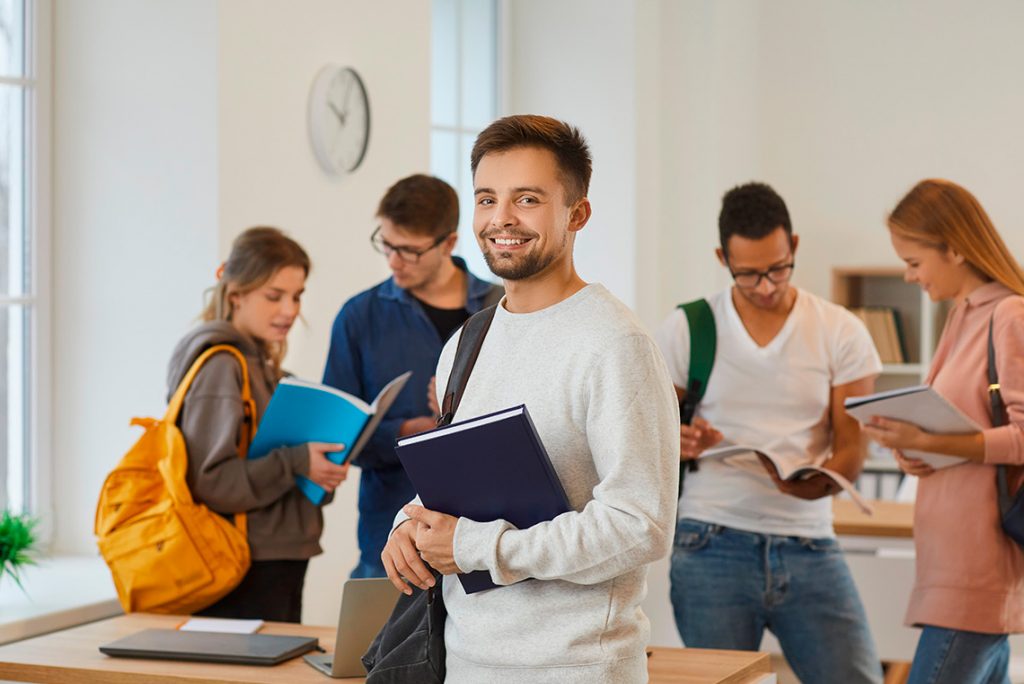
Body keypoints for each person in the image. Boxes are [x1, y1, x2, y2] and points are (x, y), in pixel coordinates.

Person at [379, 115, 679, 683]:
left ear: (577, 213)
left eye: (528, 199)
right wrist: (406, 528)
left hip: (575, 668)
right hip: (463, 663)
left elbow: (639, 525)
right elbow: (450, 483)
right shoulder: (468, 341)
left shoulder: (616, 344)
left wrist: (475, 546)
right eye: (487, 198)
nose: (501, 220)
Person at [654, 182, 883, 683]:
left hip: (809, 540)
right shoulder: (688, 327)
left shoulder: (840, 330)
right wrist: (680, 439)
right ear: (722, 258)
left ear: (794, 246)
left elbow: (850, 449)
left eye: (778, 269)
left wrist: (816, 482)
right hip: (710, 539)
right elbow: (649, 433)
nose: (765, 285)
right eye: (749, 274)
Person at [864, 179, 1024, 684]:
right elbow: (962, 424)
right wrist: (914, 453)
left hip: (975, 569)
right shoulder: (960, 316)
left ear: (954, 248)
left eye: (913, 262)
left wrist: (929, 443)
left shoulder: (1009, 315)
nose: (908, 277)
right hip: (946, 565)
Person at [166, 226, 350, 622]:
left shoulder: (268, 371)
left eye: (297, 296)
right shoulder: (221, 367)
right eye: (274, 296)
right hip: (245, 566)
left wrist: (318, 469)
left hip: (276, 560)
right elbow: (212, 482)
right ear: (236, 295)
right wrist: (297, 462)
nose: (290, 310)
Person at [322, 174, 501, 579]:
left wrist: (466, 417)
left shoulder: (504, 309)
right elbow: (337, 439)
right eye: (386, 245)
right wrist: (409, 431)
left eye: (409, 251)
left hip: (489, 536)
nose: (393, 261)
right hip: (391, 541)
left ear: (449, 243)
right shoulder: (359, 317)